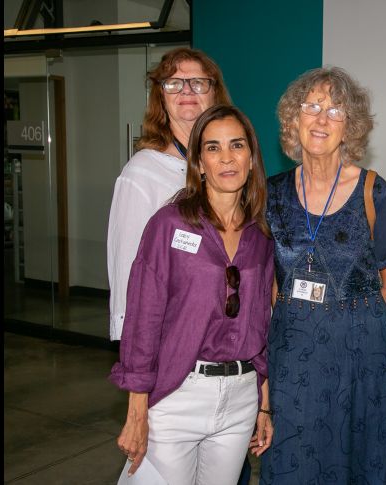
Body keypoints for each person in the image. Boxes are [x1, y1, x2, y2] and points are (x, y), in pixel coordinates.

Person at [110, 104, 274, 485]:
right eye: (213, 148)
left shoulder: (260, 235)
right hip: (177, 393)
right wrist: (137, 410)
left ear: (251, 158)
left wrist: (264, 405)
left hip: (239, 398)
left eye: (236, 145)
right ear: (199, 162)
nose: (227, 158)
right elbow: (143, 319)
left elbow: (260, 324)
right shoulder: (168, 225)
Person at [260, 66, 386, 484]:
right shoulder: (271, 193)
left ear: (350, 126)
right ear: (293, 119)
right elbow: (269, 279)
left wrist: (350, 321)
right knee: (293, 460)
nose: (322, 119)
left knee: (360, 461)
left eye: (335, 110)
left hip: (360, 354)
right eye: (312, 107)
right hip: (293, 353)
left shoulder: (374, 191)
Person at [107, 47, 231, 342]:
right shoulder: (141, 174)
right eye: (174, 83)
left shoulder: (228, 168)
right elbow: (127, 271)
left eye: (198, 83)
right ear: (161, 97)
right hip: (170, 337)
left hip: (222, 335)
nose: (186, 90)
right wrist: (137, 358)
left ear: (215, 94)